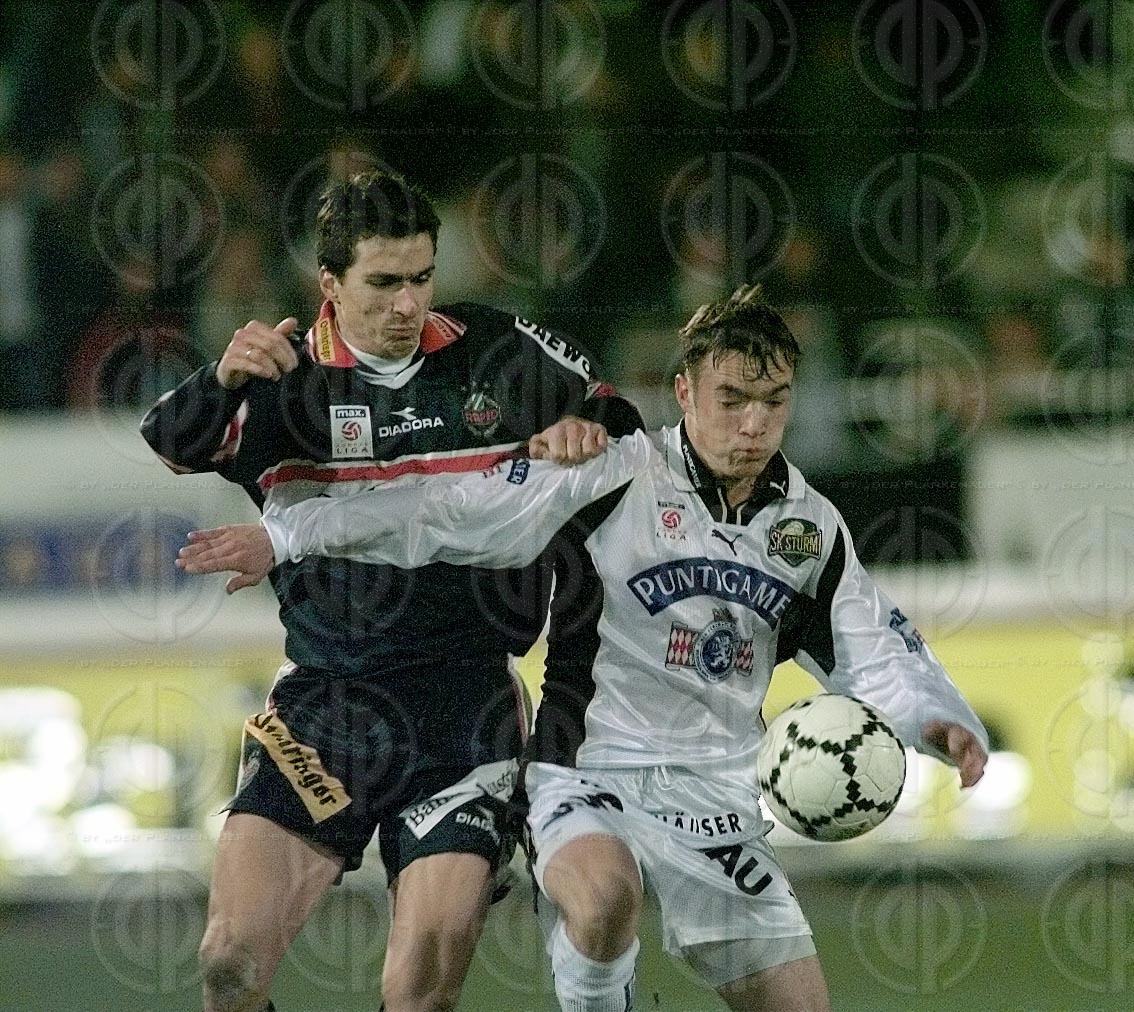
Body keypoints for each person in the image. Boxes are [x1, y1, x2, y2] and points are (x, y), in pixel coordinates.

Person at [177, 286, 989, 1012]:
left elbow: (872, 642)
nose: (753, 425)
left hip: (716, 797)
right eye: (732, 399)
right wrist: (286, 536)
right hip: (589, 772)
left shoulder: (808, 528)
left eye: (773, 402)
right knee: (603, 903)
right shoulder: (611, 473)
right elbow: (443, 511)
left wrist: (939, 720)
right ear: (684, 392)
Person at [140, 169, 640, 1012]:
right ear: (330, 284)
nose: (408, 304)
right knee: (229, 962)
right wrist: (221, 377)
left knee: (419, 993)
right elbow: (170, 443)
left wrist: (582, 426)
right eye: (383, 283)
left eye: (421, 278)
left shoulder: (496, 350)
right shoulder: (283, 378)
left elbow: (614, 412)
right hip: (323, 708)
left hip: (464, 712)